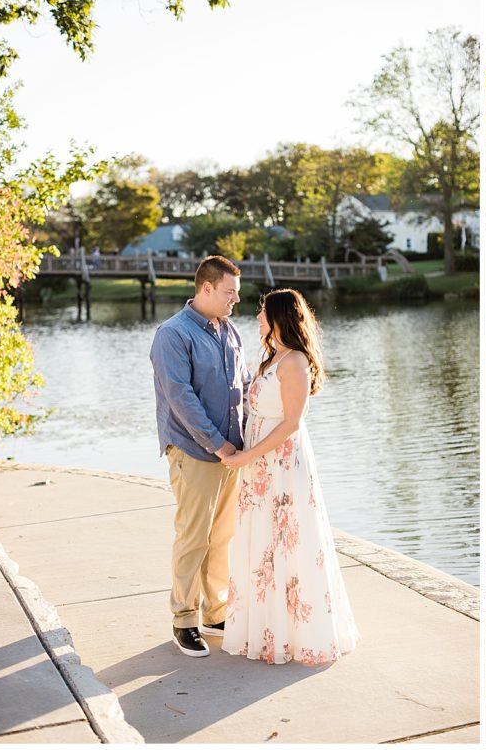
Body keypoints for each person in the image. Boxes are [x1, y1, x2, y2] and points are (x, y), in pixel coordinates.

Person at [220, 288, 359, 665]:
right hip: (260, 467)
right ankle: (264, 629)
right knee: (261, 544)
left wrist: (249, 454)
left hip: (280, 464)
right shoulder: (271, 359)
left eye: (263, 312)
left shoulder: (293, 361)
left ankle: (295, 634)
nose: (257, 318)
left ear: (280, 317)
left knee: (286, 544)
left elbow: (293, 423)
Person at [150, 255, 250, 657]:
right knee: (193, 538)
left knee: (221, 538)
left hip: (231, 455)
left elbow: (241, 385)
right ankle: (184, 620)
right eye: (229, 293)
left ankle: (215, 611)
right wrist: (218, 444)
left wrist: (245, 445)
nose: (234, 301)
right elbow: (181, 399)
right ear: (206, 288)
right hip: (194, 451)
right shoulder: (172, 335)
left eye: (237, 294)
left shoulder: (229, 331)